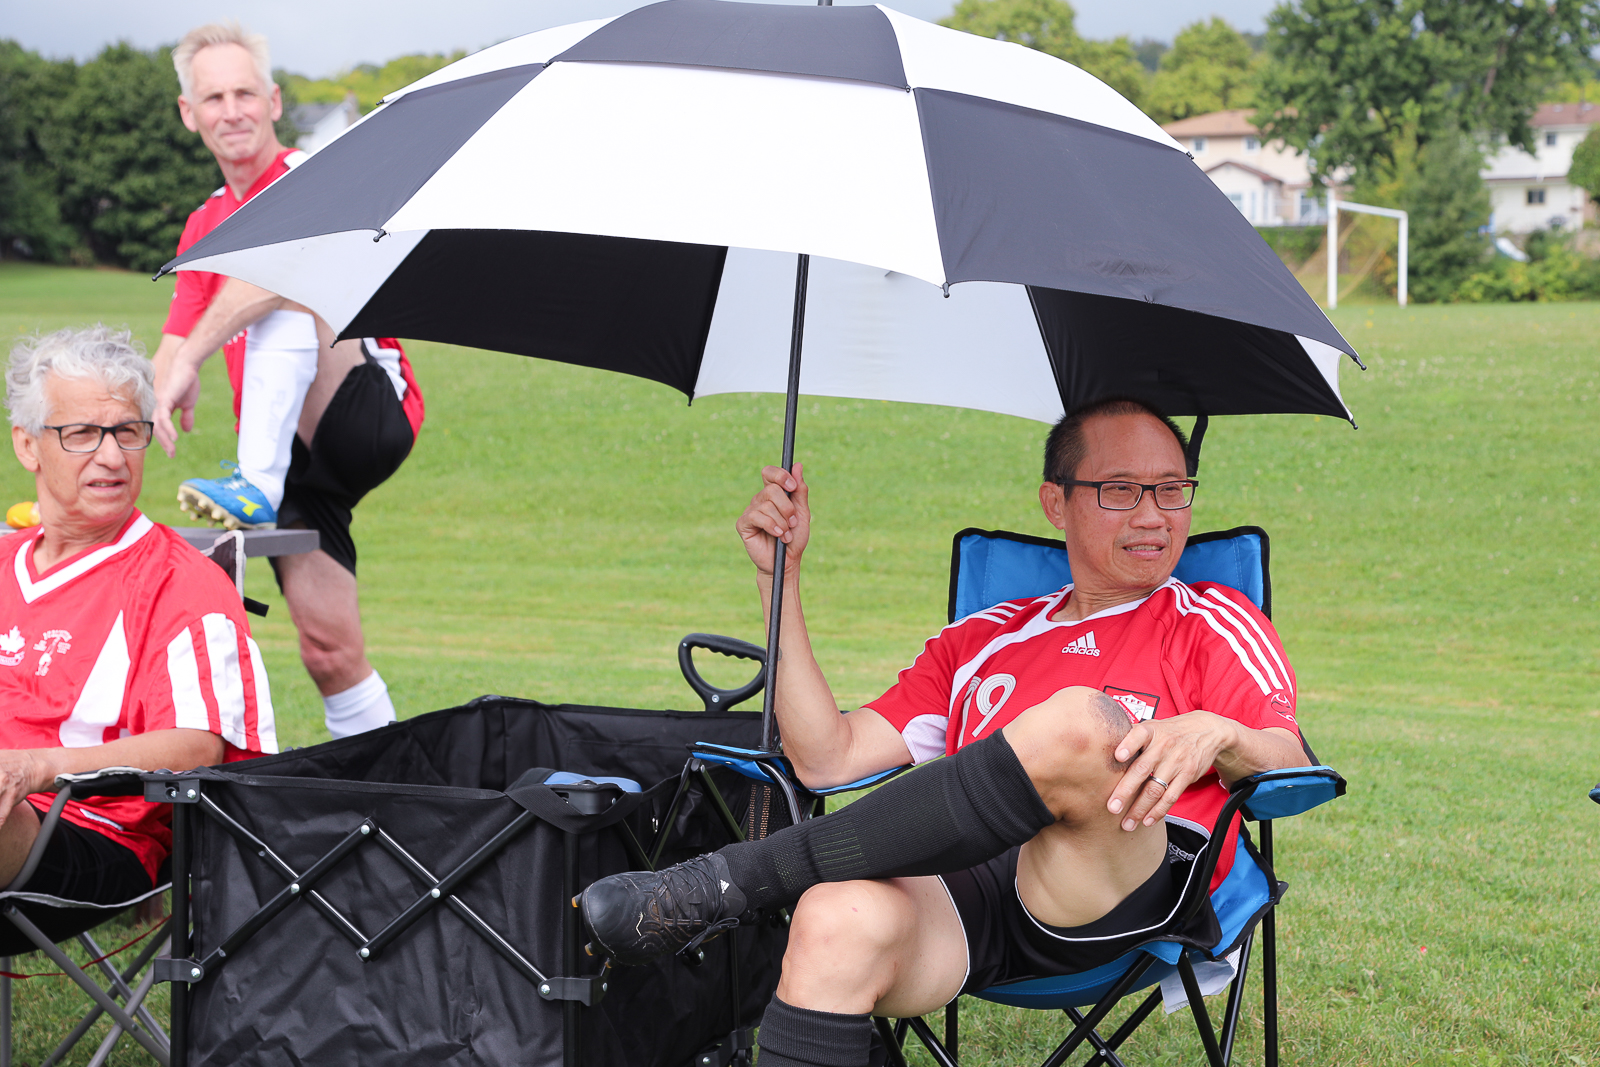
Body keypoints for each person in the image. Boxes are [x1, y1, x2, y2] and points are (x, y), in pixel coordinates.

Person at [579, 398, 1309, 1067]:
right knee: (836, 918)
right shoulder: (981, 640)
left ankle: (733, 880)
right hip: (971, 895)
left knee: (1082, 723)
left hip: (1120, 884)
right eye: (1120, 489)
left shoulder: (1211, 620)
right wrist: (780, 580)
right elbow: (827, 758)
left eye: (1171, 489)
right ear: (1055, 502)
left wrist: (1219, 732)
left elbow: (1291, 763)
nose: (1153, 515)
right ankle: (750, 883)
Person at [152, 21, 424, 739]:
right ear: (189, 114)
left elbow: (278, 276)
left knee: (285, 280)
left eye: (245, 93)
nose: (232, 110)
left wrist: (194, 358)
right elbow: (170, 347)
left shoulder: (310, 176)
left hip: (363, 412)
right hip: (295, 465)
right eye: (214, 98)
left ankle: (254, 484)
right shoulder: (203, 223)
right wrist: (139, 409)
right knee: (329, 653)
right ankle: (384, 786)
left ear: (273, 102)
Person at [0, 326, 277, 944]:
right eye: (81, 434)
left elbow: (197, 748)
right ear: (28, 445)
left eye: (128, 431)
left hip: (96, 833)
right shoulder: (3, 565)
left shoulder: (179, 582)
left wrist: (37, 767)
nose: (112, 456)